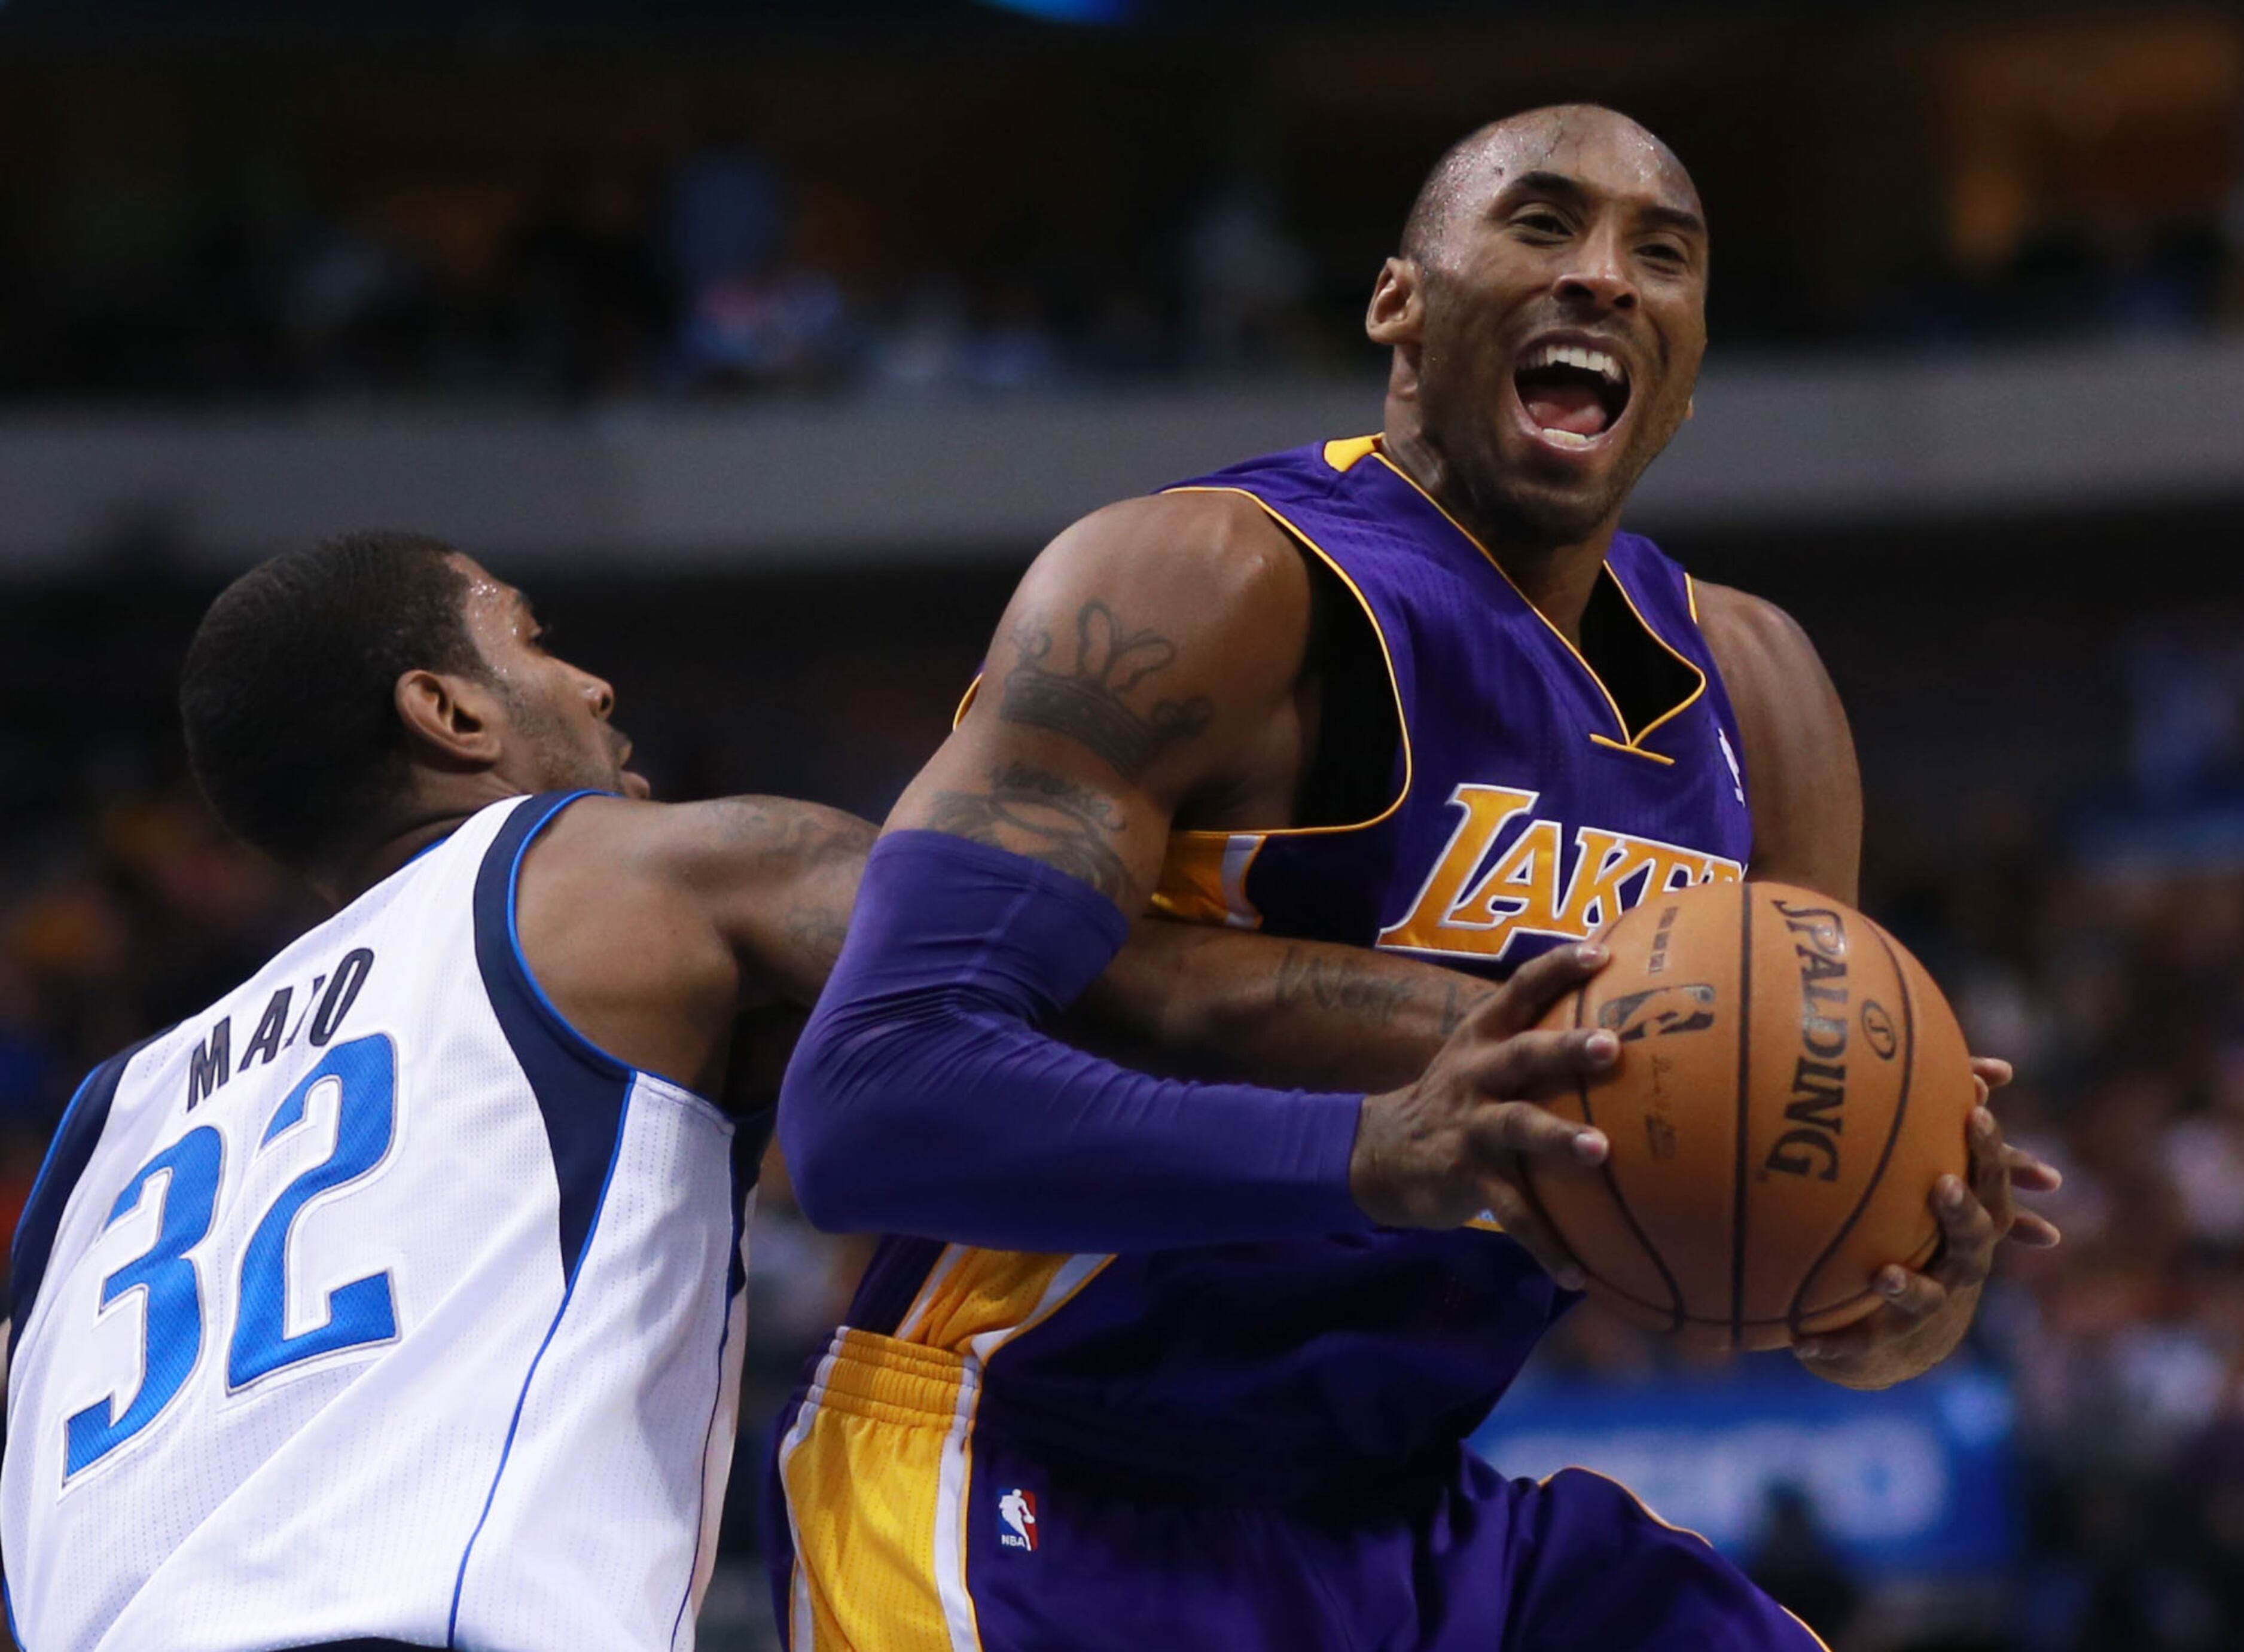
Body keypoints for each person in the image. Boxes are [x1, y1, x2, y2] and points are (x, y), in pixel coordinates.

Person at [773, 105, 2063, 1650]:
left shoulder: (1761, 693)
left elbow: (1761, 1235)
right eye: (1542, 223)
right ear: (1400, 303)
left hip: (1398, 1506)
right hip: (1038, 1460)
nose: (1605, 277)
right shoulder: (1208, 580)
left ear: (1693, 359)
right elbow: (865, 1102)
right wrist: (1370, 1148)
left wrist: (1880, 1304)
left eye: (1663, 255)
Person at [0, 532, 1527, 1652]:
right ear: (448, 716)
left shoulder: (99, 1121)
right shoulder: (627, 869)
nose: (592, 678)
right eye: (528, 637)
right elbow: (1140, 986)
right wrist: (1555, 1037)